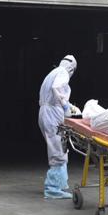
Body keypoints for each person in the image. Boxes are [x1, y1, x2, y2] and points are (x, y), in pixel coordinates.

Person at [38, 54, 79, 199]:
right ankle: (52, 189)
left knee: (59, 148)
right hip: (52, 114)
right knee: (57, 151)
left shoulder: (53, 73)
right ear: (71, 68)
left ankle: (60, 184)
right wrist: (65, 105)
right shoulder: (62, 73)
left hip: (46, 112)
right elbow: (57, 88)